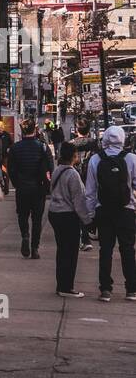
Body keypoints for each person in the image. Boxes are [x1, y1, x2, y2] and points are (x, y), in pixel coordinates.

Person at [85, 125, 136, 301]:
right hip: (126, 210)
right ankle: (131, 289)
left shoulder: (95, 160)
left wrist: (90, 215)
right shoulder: (131, 159)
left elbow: (90, 191)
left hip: (103, 210)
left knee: (105, 250)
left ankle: (105, 289)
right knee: (128, 249)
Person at [48, 141, 93, 298]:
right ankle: (67, 287)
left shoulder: (57, 170)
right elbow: (79, 201)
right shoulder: (73, 174)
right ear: (74, 156)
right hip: (67, 215)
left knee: (62, 251)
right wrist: (88, 221)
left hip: (55, 213)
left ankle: (61, 284)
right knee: (71, 252)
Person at [6, 116, 54, 259]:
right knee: (37, 219)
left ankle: (25, 236)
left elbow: (11, 169)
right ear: (35, 129)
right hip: (38, 187)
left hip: (22, 187)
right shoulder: (42, 147)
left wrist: (16, 183)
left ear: (22, 131)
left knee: (22, 215)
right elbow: (50, 167)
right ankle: (35, 247)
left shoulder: (15, 148)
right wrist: (47, 185)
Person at [72, 118, 99, 251]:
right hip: (90, 177)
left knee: (76, 207)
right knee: (88, 206)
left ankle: (81, 237)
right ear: (88, 131)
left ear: (77, 130)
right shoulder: (94, 144)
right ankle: (87, 235)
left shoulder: (71, 144)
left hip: (75, 177)